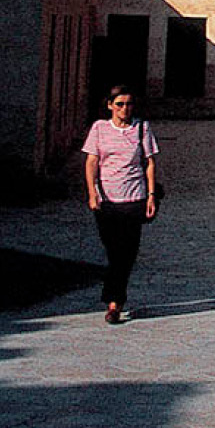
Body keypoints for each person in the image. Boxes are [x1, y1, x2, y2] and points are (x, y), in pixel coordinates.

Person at [82, 85, 160, 324]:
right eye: (120, 104)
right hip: (107, 200)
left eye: (129, 104)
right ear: (110, 106)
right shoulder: (99, 128)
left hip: (134, 198)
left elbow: (149, 163)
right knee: (114, 251)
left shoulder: (142, 128)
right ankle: (115, 296)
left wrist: (151, 195)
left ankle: (114, 303)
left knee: (127, 252)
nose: (125, 109)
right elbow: (91, 163)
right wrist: (92, 193)